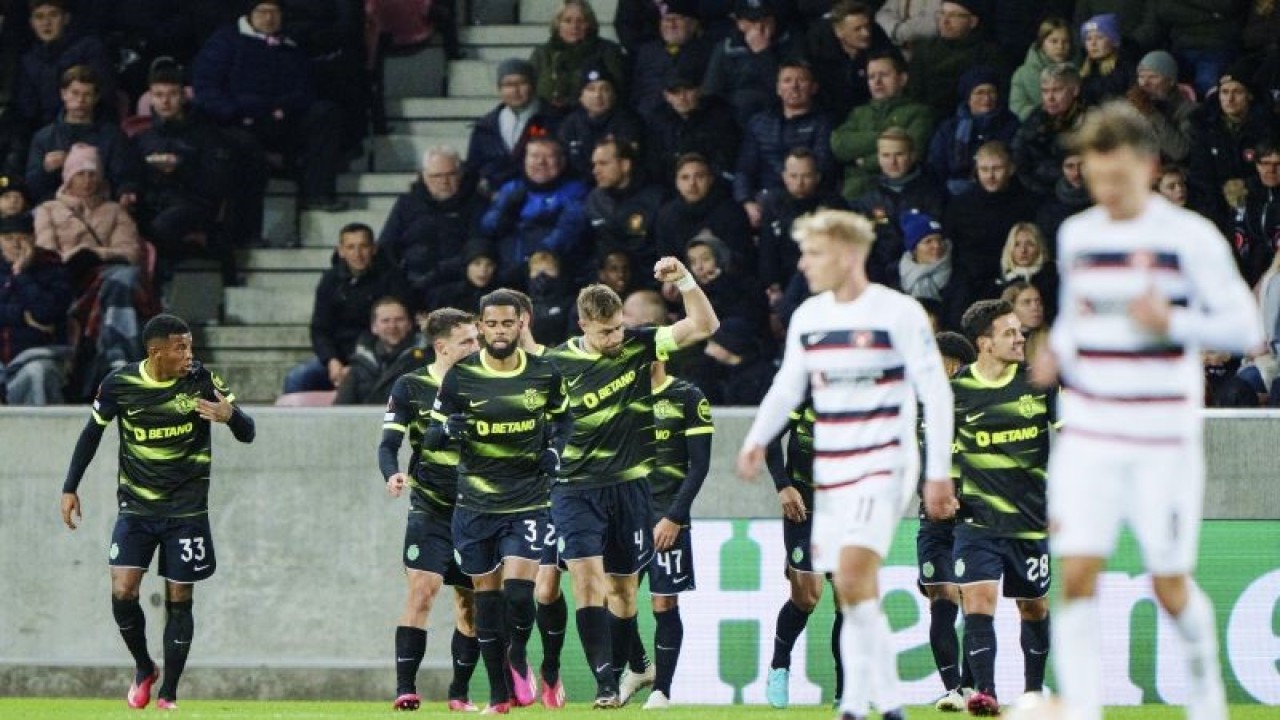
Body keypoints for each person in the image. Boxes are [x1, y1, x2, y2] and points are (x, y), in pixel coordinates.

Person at [1031, 101, 1263, 720]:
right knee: (1075, 576)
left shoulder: (1189, 236)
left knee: (1168, 583)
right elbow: (1080, 318)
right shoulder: (1078, 235)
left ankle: (1206, 702)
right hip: (1088, 433)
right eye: (1095, 178)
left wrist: (1175, 321)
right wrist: (1058, 349)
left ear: (1149, 165)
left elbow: (1247, 327)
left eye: (1118, 178)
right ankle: (1081, 708)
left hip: (1163, 435)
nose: (1106, 191)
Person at [737, 208, 956, 720]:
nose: (804, 264)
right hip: (830, 474)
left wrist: (938, 470)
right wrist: (755, 439)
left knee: (853, 572)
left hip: (886, 463)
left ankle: (857, 705)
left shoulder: (899, 313)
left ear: (849, 254)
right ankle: (888, 702)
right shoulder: (810, 317)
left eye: (814, 253)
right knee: (855, 586)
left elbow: (936, 394)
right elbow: (788, 385)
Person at [59, 313, 256, 710]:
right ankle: (145, 666)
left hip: (187, 510)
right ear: (156, 352)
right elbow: (91, 433)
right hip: (136, 507)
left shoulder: (202, 380)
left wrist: (230, 416)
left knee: (180, 597)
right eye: (180, 347)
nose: (189, 354)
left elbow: (248, 431)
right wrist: (70, 487)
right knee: (122, 590)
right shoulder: (120, 384)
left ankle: (169, 693)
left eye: (190, 346)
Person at [545, 259, 719, 707]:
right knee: (587, 581)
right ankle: (605, 683)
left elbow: (704, 323)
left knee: (623, 593)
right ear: (583, 324)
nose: (613, 339)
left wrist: (683, 279)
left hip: (629, 488)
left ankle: (635, 666)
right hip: (574, 488)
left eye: (618, 328)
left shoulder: (640, 345)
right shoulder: (554, 364)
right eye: (604, 332)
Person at [425, 289, 573, 714]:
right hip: (474, 506)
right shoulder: (460, 376)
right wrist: (448, 429)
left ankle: (517, 654)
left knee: (520, 596)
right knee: (485, 603)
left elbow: (565, 421)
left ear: (521, 323)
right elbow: (433, 437)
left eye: (508, 323)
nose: (500, 331)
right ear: (481, 326)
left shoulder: (544, 373)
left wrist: (556, 451)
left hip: (527, 501)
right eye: (491, 324)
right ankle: (497, 696)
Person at [950, 299, 1055, 715]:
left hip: (1029, 521)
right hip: (976, 521)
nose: (1020, 337)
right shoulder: (955, 392)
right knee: (978, 600)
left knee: (1034, 607)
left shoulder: (1040, 383)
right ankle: (985, 694)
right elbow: (935, 447)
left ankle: (1033, 691)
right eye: (1009, 332)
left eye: (1020, 331)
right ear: (984, 343)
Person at [378, 307, 482, 712]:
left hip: (476, 507)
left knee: (469, 605)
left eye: (477, 339)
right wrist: (392, 474)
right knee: (423, 590)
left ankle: (459, 692)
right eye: (467, 341)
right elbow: (389, 444)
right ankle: (406, 688)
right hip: (431, 505)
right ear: (442, 346)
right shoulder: (410, 386)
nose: (477, 346)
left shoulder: (487, 384)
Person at [613, 354, 714, 710]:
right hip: (625, 515)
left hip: (667, 517)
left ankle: (662, 691)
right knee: (617, 598)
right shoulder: (621, 398)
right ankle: (639, 667)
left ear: (662, 355)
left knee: (664, 602)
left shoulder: (688, 396)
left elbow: (699, 465)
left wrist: (674, 516)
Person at [192, 0, 347, 211]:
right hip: (238, 121)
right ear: (249, 14)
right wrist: (236, 112)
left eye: (274, 12)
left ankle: (317, 193)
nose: (269, 18)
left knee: (324, 113)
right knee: (242, 144)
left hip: (281, 118)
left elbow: (304, 89)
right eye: (262, 12)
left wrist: (285, 108)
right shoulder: (225, 41)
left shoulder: (290, 45)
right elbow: (207, 88)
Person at [132, 58, 239, 288]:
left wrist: (180, 170)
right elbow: (133, 176)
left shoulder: (205, 135)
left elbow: (217, 182)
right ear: (151, 97)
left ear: (183, 96)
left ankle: (204, 251)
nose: (165, 101)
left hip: (194, 203)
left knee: (161, 228)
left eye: (171, 94)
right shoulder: (143, 138)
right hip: (153, 203)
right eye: (159, 95)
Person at [915, 329, 976, 712]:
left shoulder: (978, 400)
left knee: (973, 598)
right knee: (940, 594)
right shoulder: (918, 403)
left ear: (953, 363)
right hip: (932, 520)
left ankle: (970, 686)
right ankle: (953, 687)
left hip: (972, 516)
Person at [282, 223, 410, 394]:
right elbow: (320, 329)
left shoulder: (393, 278)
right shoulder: (330, 281)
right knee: (297, 378)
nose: (358, 254)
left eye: (363, 246)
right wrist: (332, 361)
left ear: (373, 248)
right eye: (351, 247)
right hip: (338, 358)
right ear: (341, 250)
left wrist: (362, 364)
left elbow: (399, 326)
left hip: (379, 358)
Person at [379, 147, 487, 303]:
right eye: (436, 176)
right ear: (423, 176)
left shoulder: (477, 204)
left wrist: (436, 275)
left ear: (460, 174)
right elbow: (387, 245)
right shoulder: (407, 203)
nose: (444, 182)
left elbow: (478, 249)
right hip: (412, 281)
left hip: (458, 283)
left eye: (450, 174)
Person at [733, 61, 834, 227]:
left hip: (807, 197)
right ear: (778, 88)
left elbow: (823, 165)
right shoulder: (759, 123)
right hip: (763, 196)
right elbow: (744, 168)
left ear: (814, 87)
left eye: (801, 80)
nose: (794, 86)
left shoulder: (823, 123)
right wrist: (746, 201)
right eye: (787, 80)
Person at [479, 137, 589, 286]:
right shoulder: (511, 188)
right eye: (534, 156)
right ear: (525, 160)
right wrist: (507, 211)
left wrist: (535, 258)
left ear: (562, 161)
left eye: (549, 156)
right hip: (506, 274)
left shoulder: (575, 191)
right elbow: (488, 227)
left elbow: (568, 230)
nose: (541, 162)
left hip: (549, 275)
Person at [25, 64, 140, 206]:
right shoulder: (43, 138)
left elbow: (124, 178)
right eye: (75, 93)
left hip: (101, 208)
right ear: (63, 94)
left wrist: (125, 192)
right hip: (55, 212)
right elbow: (32, 188)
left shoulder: (113, 136)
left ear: (96, 97)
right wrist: (45, 170)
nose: (80, 100)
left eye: (87, 94)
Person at [830, 49, 934, 201]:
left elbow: (914, 151)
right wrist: (887, 138)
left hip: (898, 192)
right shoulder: (859, 112)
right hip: (853, 193)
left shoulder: (919, 112)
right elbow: (838, 145)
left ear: (902, 79)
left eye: (884, 75)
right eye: (871, 77)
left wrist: (864, 161)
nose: (877, 82)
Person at [0, 212, 73, 405]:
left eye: (21, 238)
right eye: (8, 239)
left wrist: (21, 275)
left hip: (39, 354)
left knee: (38, 373)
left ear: (33, 239)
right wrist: (22, 316)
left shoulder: (53, 269)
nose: (15, 244)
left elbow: (45, 313)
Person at [15, 0, 116, 130]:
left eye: (53, 15)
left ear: (66, 18)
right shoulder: (28, 60)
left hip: (91, 128)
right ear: (31, 23)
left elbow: (104, 95)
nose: (46, 23)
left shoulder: (89, 48)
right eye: (39, 17)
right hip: (45, 136)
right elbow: (26, 109)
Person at [466, 59, 562, 194]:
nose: (515, 90)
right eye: (508, 85)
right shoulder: (485, 127)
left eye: (521, 83)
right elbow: (473, 168)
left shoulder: (556, 119)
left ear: (533, 85)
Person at [927, 66, 1021, 197]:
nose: (987, 98)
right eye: (979, 93)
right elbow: (937, 165)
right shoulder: (949, 128)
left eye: (991, 92)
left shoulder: (1011, 124)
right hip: (954, 194)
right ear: (968, 97)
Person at [702, 0, 799, 127]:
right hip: (735, 120)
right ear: (739, 23)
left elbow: (789, 88)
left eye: (765, 20)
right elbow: (712, 91)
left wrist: (764, 54)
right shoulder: (725, 49)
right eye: (752, 21)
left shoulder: (790, 42)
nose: (759, 27)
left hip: (781, 116)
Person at [644, 70, 740, 195]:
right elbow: (653, 161)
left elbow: (725, 160)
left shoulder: (719, 116)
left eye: (688, 90)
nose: (682, 97)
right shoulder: (657, 119)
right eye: (675, 92)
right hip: (668, 190)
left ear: (699, 90)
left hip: (710, 188)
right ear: (666, 96)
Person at [906, 0, 1003, 121]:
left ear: (973, 22)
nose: (945, 21)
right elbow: (913, 95)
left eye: (954, 16)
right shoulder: (924, 50)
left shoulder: (987, 54)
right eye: (942, 13)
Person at [585, 136, 664, 278]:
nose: (595, 171)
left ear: (625, 165)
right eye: (594, 164)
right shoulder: (594, 200)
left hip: (647, 279)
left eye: (603, 163)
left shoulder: (656, 199)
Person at [529, 0, 627, 111]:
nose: (574, 26)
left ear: (589, 24)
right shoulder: (542, 53)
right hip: (548, 117)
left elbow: (618, 90)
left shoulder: (607, 51)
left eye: (581, 21)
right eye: (567, 21)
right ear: (558, 24)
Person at [806, 1, 893, 121]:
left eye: (867, 26)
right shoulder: (819, 50)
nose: (866, 33)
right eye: (857, 29)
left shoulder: (879, 41)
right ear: (839, 32)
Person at [557, 65, 645, 181]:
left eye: (605, 89)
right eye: (591, 89)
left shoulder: (628, 123)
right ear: (580, 96)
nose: (598, 95)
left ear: (614, 95)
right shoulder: (569, 124)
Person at [628, 1, 712, 121]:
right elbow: (636, 92)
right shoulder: (647, 51)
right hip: (648, 120)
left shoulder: (706, 52)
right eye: (667, 20)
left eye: (677, 19)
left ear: (693, 24)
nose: (671, 25)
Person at [335, 297, 427, 405]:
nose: (392, 326)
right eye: (385, 321)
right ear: (374, 327)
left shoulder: (426, 360)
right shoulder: (359, 365)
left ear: (409, 325)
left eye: (399, 320)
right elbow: (339, 409)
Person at [1012, 63, 1085, 197]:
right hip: (1038, 192)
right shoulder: (1036, 118)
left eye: (1057, 90)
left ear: (1075, 90)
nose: (1050, 98)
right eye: (1045, 91)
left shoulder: (1092, 121)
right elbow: (1019, 157)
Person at [1126, 51, 1196, 164]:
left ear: (1171, 81)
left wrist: (1152, 113)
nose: (1145, 83)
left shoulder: (1190, 110)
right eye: (1141, 77)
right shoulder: (1136, 106)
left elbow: (1180, 153)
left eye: (1153, 77)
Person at [1009, 17, 1074, 121]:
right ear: (1042, 43)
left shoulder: (1078, 71)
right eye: (1054, 41)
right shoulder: (1022, 74)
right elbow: (1017, 106)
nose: (1060, 46)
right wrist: (1043, 116)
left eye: (1065, 42)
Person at [994, 222, 1059, 323]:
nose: (1023, 250)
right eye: (1017, 244)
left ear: (1039, 248)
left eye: (1030, 244)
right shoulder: (1000, 285)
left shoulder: (1054, 279)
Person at [1078, 14, 1134, 107]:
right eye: (1088, 39)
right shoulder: (1084, 70)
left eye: (1099, 37)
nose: (1093, 43)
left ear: (1114, 42)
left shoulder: (1125, 68)